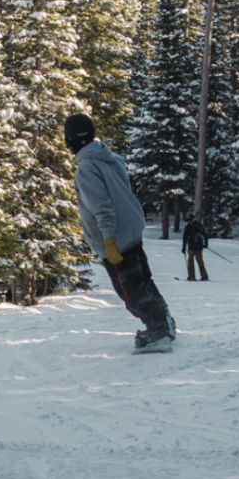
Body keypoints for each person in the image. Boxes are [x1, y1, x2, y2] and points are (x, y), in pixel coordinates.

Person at [65, 113, 176, 351]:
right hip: (132, 231)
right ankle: (163, 320)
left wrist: (109, 241)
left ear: (70, 140)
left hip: (116, 239)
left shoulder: (86, 168)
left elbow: (101, 207)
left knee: (131, 291)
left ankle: (158, 330)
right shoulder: (110, 157)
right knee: (143, 281)